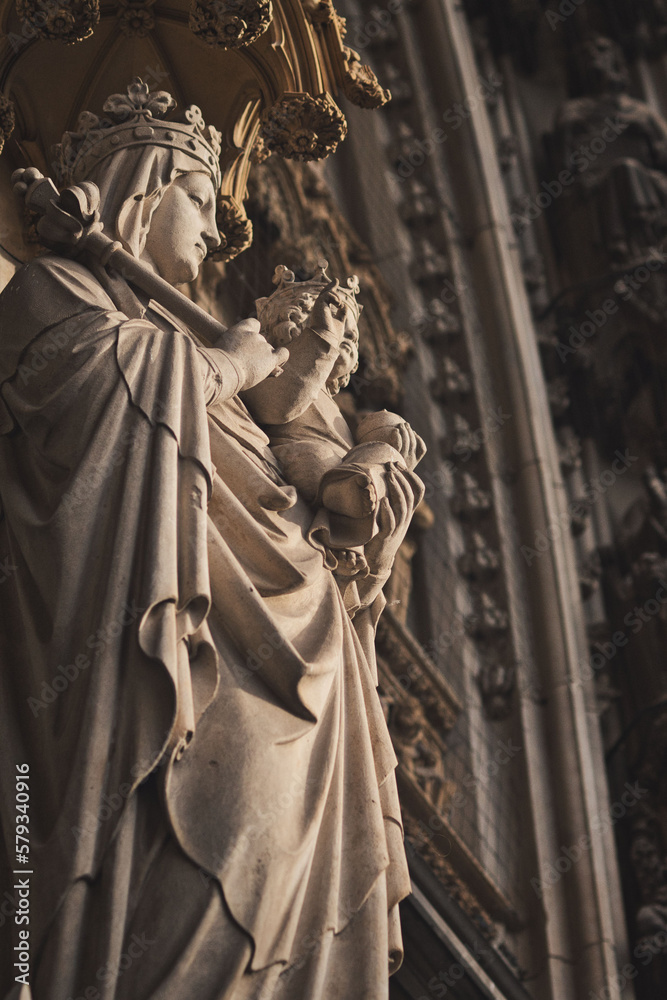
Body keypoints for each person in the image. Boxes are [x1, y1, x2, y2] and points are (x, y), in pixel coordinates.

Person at [0, 78, 423, 999]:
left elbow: (288, 485)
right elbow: (100, 416)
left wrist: (355, 515)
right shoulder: (58, 289)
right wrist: (230, 361)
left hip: (305, 687)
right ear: (141, 186)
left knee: (274, 911)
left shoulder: (193, 346)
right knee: (196, 884)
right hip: (172, 669)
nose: (215, 229)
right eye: (199, 195)